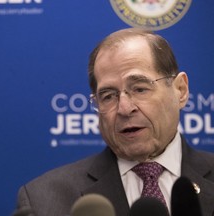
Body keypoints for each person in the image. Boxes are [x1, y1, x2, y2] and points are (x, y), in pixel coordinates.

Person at [13, 28, 214, 216]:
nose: (125, 109)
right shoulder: (42, 201)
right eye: (108, 96)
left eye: (139, 89)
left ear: (180, 90)